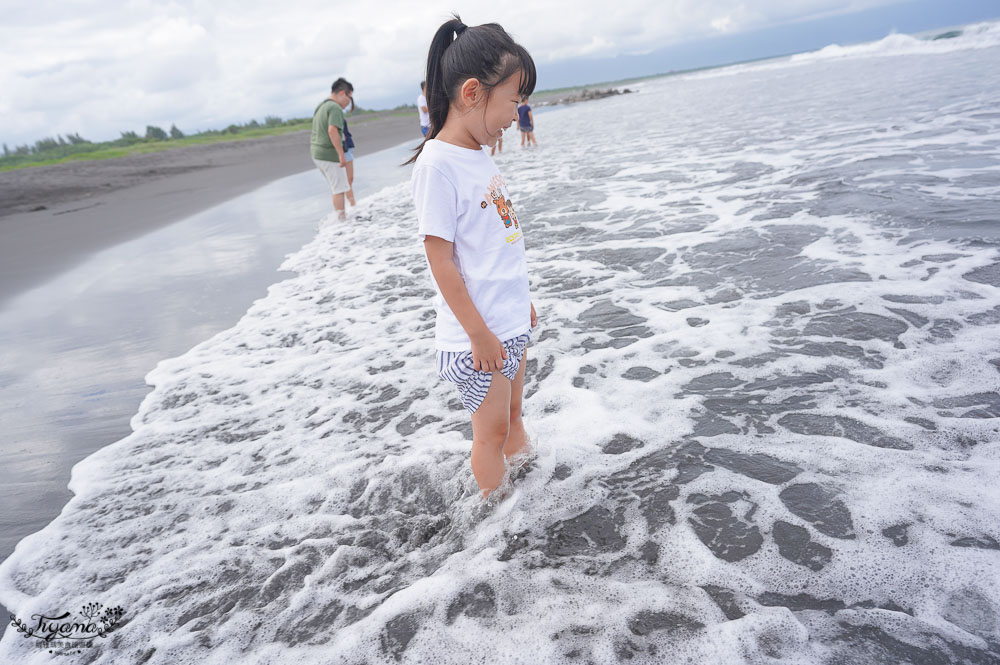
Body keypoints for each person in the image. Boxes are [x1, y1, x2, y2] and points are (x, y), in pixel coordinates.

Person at [408, 16, 537, 500]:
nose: (517, 112)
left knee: (515, 416)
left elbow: (494, 242)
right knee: (490, 434)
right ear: (471, 94)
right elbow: (440, 260)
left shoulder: (479, 153)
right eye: (514, 99)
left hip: (506, 320)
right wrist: (479, 333)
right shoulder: (437, 164)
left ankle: (534, 488)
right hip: (476, 338)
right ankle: (495, 521)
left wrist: (518, 300)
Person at [310, 78, 353, 220]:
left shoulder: (321, 105)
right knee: (339, 189)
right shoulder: (335, 108)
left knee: (336, 187)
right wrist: (341, 155)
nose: (348, 103)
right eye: (349, 97)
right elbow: (332, 131)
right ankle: (341, 223)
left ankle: (339, 221)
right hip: (328, 153)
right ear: (342, 93)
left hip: (317, 153)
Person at [343, 116, 355, 207]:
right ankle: (352, 205)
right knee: (347, 180)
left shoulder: (338, 113)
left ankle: (352, 204)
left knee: (350, 179)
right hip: (344, 149)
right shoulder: (333, 113)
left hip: (348, 146)